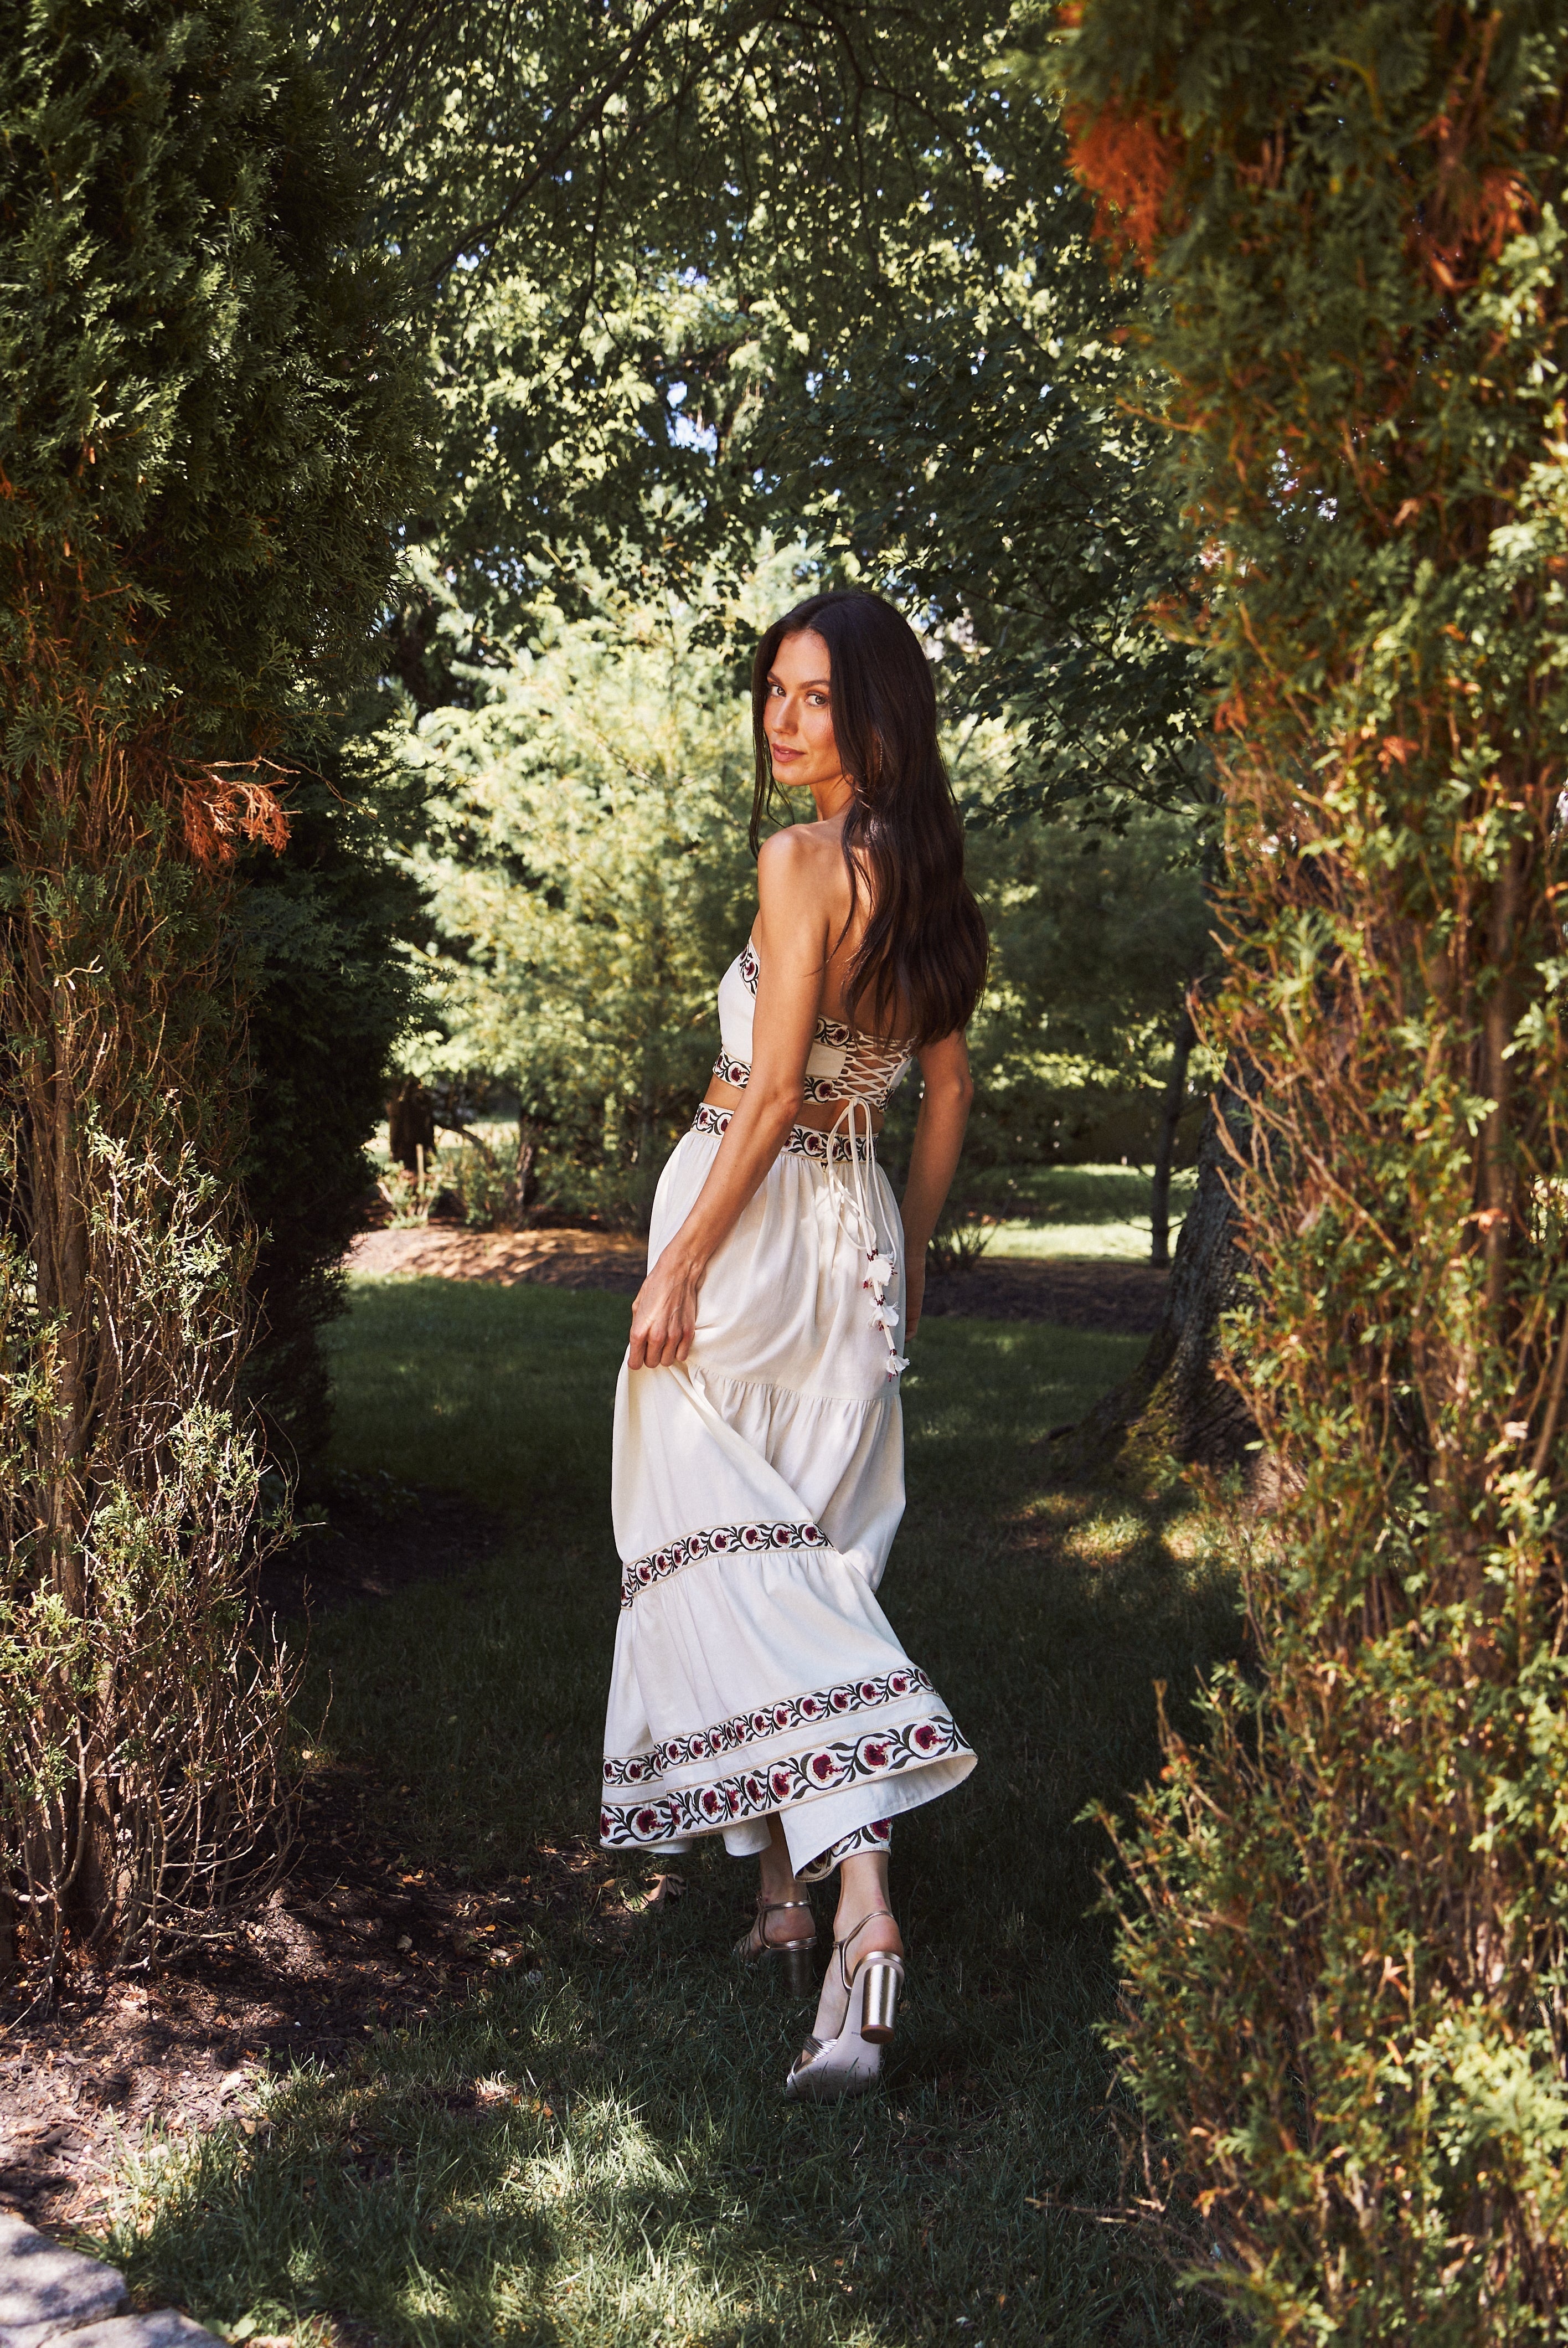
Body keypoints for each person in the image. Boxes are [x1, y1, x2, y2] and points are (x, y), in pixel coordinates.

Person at [598, 589, 987, 2102]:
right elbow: (941, 1097)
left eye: (816, 697)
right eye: (774, 690)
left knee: (721, 1546)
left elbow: (763, 1100)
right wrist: (916, 1252)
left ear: (877, 714)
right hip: (858, 1240)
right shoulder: (936, 886)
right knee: (810, 1550)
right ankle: (788, 1913)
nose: (783, 718)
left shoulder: (800, 859)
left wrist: (678, 1262)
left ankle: (866, 1898)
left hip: (749, 1222)